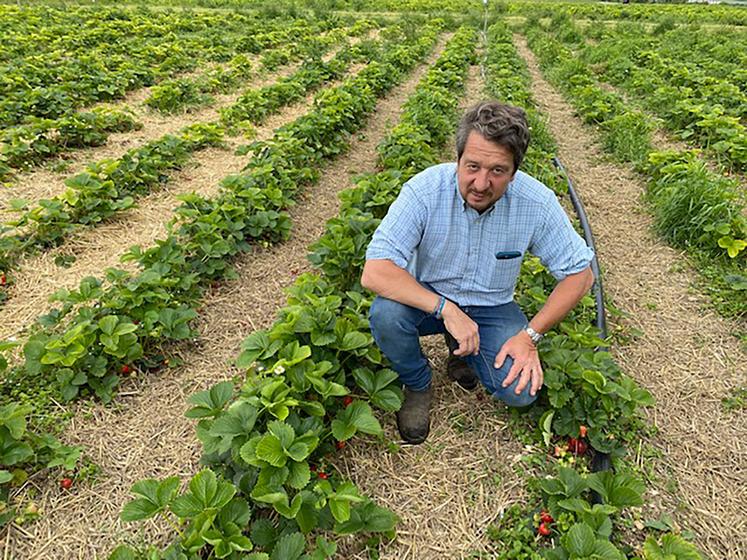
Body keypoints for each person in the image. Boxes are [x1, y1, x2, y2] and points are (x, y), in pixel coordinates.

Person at [361, 101, 595, 444]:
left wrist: (530, 336)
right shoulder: (425, 191)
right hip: (429, 298)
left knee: (520, 391)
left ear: (515, 172)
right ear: (457, 159)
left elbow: (581, 275)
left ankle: (462, 351)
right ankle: (417, 382)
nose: (481, 183)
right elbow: (375, 271)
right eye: (472, 166)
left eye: (498, 171)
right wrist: (447, 309)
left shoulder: (536, 203)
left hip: (491, 306)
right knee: (386, 314)